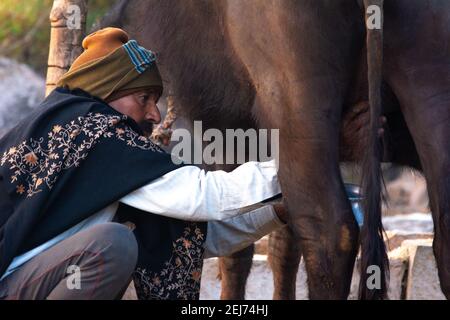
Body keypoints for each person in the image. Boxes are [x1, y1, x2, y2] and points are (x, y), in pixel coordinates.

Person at [0, 27, 286, 300]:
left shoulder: (82, 145)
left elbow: (199, 236)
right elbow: (203, 196)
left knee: (118, 241)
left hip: (23, 283)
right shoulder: (96, 132)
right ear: (109, 88)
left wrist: (278, 211)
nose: (155, 116)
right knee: (111, 245)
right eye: (144, 98)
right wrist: (292, 168)